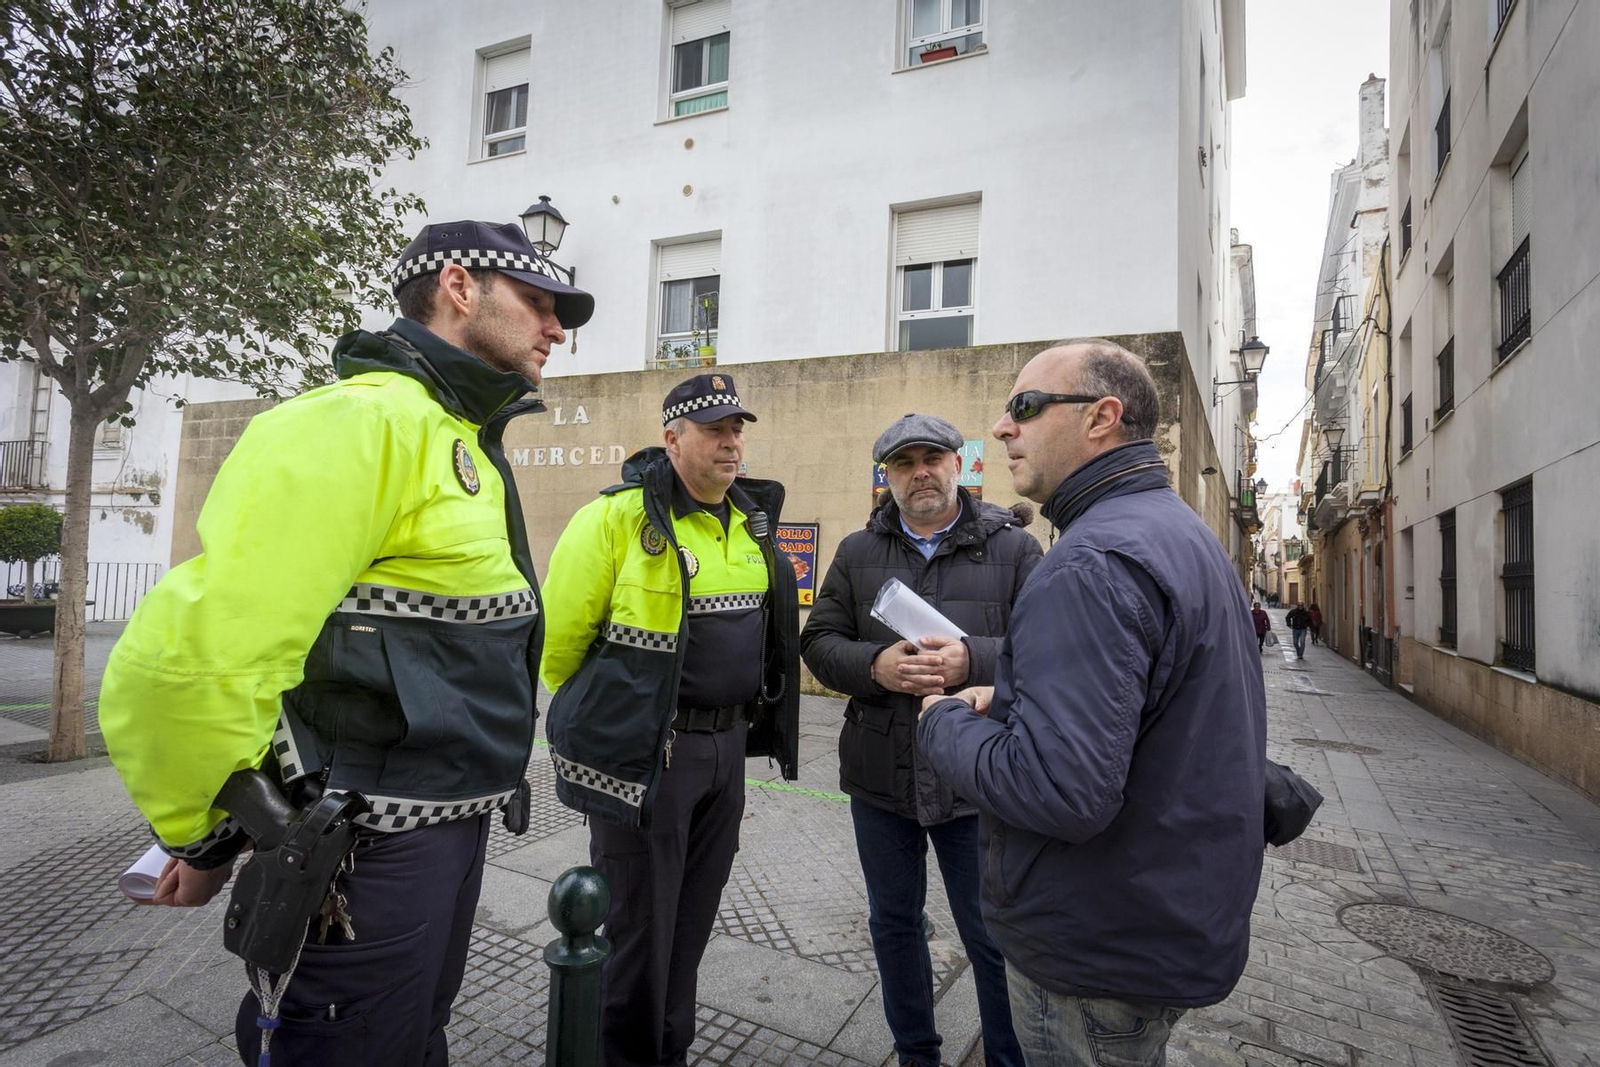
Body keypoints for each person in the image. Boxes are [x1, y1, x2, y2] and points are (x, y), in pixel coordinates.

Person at [98, 220, 594, 1066]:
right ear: (460, 287)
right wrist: (207, 835)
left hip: (444, 829)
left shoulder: (456, 432)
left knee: (409, 1042)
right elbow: (198, 660)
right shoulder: (360, 422)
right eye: (539, 302)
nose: (558, 327)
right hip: (362, 852)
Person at [916, 339, 1266, 1067]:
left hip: (1093, 952)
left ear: (1103, 417)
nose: (1004, 426)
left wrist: (944, 722)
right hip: (1150, 927)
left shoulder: (1092, 561)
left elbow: (1060, 789)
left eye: (1025, 406)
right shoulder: (1182, 536)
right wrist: (1014, 697)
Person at [540, 374, 801, 1067]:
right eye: (715, 428)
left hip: (726, 749)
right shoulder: (618, 518)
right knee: (637, 932)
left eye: (737, 428)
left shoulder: (750, 521)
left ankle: (669, 1050)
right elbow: (559, 646)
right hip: (651, 753)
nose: (731, 441)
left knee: (688, 926)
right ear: (672, 438)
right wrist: (616, 722)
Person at [801, 414, 1040, 1067]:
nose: (920, 472)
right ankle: (915, 1052)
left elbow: (1049, 651)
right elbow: (819, 643)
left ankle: (1008, 1056)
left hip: (981, 778)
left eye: (932, 457)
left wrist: (973, 660)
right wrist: (875, 668)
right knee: (895, 923)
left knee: (994, 934)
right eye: (904, 462)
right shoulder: (856, 552)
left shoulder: (1014, 549)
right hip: (882, 774)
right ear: (889, 476)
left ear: (957, 463)